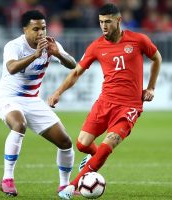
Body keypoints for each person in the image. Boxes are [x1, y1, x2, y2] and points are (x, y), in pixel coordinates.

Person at [48, 3, 162, 200]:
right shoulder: (96, 46)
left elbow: (157, 58)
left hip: (129, 107)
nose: (104, 26)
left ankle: (72, 187)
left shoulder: (138, 40)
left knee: (107, 145)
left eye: (108, 22)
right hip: (104, 102)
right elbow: (76, 72)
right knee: (83, 144)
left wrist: (150, 87)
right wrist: (58, 92)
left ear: (118, 20)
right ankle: (95, 159)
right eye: (101, 22)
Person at [0, 10, 76, 197]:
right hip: (8, 97)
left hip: (32, 100)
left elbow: (73, 65)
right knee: (19, 124)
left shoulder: (50, 44)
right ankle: (7, 179)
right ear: (25, 30)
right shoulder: (14, 46)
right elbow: (12, 68)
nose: (41, 33)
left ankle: (64, 187)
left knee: (65, 142)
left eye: (44, 28)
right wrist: (35, 55)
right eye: (36, 29)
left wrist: (59, 54)